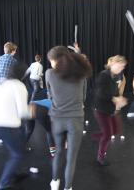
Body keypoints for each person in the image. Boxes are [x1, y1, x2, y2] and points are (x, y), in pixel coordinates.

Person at [46, 46, 92, 190]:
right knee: (71, 158)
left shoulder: (49, 73)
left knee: (58, 152)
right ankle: (68, 188)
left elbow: (50, 94)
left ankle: (54, 182)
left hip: (57, 119)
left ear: (56, 61)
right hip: (75, 120)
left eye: (51, 61)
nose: (51, 64)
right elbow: (84, 97)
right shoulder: (81, 74)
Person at [0, 62, 35, 190]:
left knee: (15, 150)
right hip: (8, 126)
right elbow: (22, 112)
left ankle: (13, 174)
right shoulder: (19, 85)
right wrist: (33, 110)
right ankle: (3, 183)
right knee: (18, 154)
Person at [92, 55, 128, 166]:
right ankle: (100, 157)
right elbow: (100, 93)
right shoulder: (104, 75)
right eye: (120, 65)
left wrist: (119, 98)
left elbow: (115, 91)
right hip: (101, 109)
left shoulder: (114, 76)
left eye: (123, 67)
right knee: (107, 135)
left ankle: (97, 136)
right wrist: (114, 99)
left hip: (109, 109)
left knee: (116, 130)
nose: (121, 68)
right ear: (112, 63)